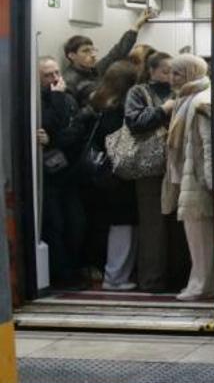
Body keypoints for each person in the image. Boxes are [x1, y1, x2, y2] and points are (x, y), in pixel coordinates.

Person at [83, 61, 140, 290]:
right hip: (119, 173)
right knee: (123, 224)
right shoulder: (120, 110)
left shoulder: (97, 102)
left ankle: (116, 275)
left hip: (103, 172)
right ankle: (115, 277)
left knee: (116, 224)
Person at [162, 54, 214, 301]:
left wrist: (210, 180)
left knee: (199, 236)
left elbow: (208, 143)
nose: (171, 79)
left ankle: (201, 285)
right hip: (190, 175)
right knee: (197, 235)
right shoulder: (188, 99)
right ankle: (200, 283)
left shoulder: (199, 101)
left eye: (177, 73)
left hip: (196, 178)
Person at [125, 51, 175, 292]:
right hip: (149, 167)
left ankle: (177, 276)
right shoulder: (138, 92)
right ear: (152, 70)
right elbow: (134, 122)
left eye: (174, 71)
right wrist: (163, 110)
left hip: (176, 164)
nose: (171, 76)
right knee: (152, 224)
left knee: (177, 223)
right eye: (166, 71)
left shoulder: (181, 90)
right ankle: (151, 279)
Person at [37, 57, 88, 289]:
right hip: (47, 176)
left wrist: (53, 140)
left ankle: (74, 270)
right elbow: (47, 124)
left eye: (57, 73)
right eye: (48, 75)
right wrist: (56, 97)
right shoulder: (39, 100)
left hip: (69, 171)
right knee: (55, 224)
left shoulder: (68, 99)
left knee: (76, 223)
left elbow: (76, 131)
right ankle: (62, 275)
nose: (55, 79)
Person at [61, 7, 155, 107]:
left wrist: (137, 25)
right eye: (86, 51)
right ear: (72, 55)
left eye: (93, 50)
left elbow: (118, 51)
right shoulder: (69, 80)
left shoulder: (93, 69)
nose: (92, 55)